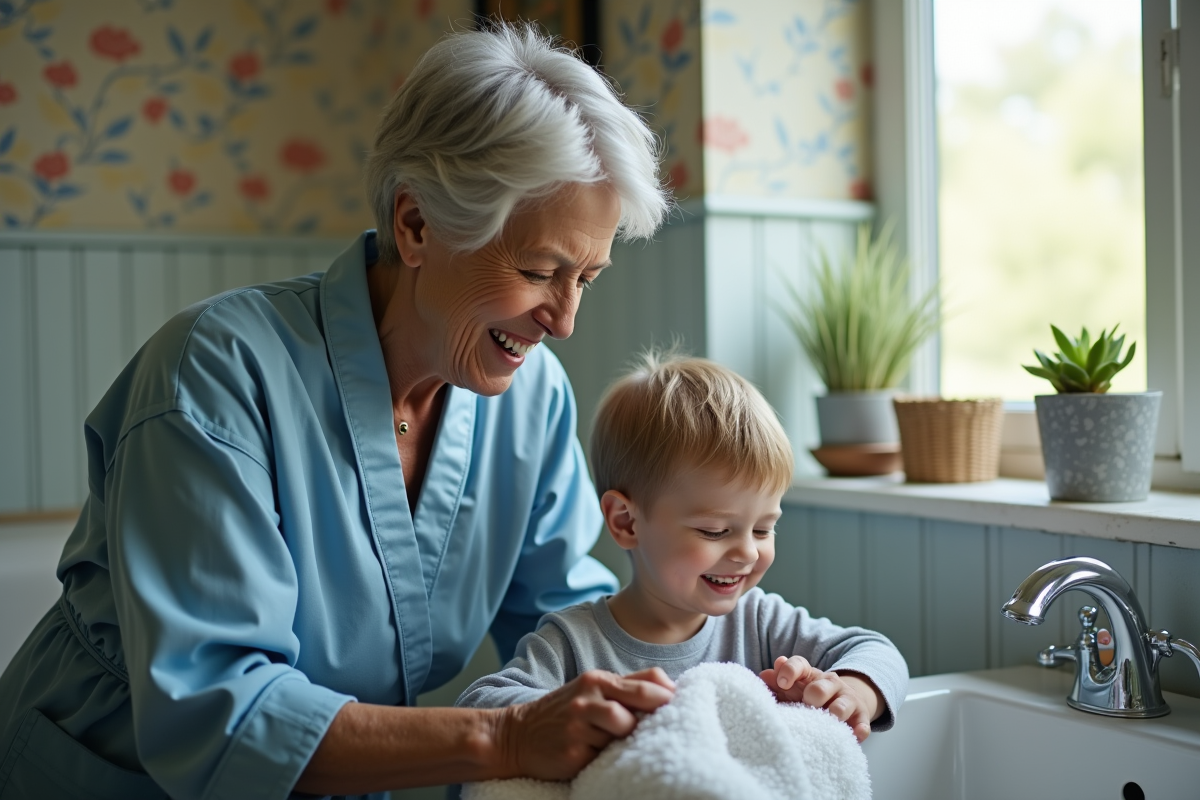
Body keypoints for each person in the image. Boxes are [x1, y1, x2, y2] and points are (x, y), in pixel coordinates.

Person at [0, 25, 679, 800]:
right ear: (416, 224)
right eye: (538, 271)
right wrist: (507, 736)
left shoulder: (534, 398)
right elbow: (220, 711)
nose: (564, 320)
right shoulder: (215, 371)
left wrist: (704, 693)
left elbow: (567, 625)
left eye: (587, 278)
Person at [456, 353, 909, 743]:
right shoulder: (573, 643)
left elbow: (877, 651)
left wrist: (849, 691)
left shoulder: (760, 621)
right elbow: (479, 706)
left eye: (763, 529)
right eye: (715, 531)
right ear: (626, 522)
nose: (748, 553)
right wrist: (588, 712)